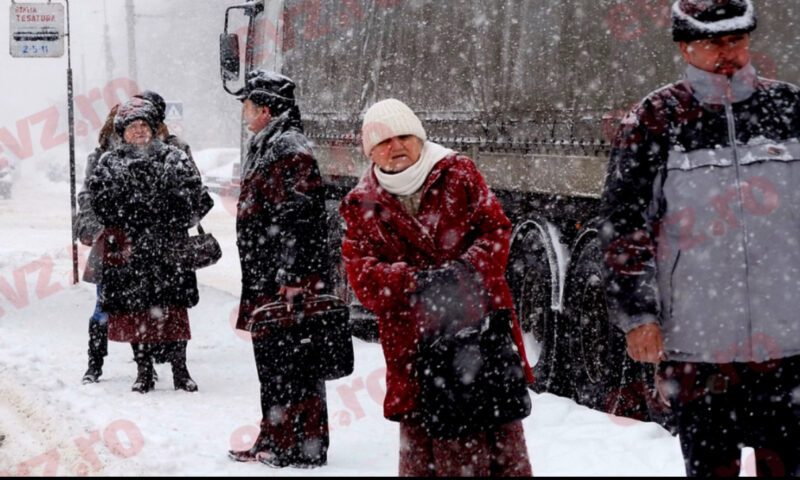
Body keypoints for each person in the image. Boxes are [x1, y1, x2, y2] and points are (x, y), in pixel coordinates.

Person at [599, 0, 800, 476]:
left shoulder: (790, 109)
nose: (727, 53)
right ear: (685, 48)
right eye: (712, 43)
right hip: (699, 348)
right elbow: (624, 225)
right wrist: (639, 315)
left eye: (736, 40)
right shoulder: (654, 120)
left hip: (790, 343)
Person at [339, 98, 534, 477]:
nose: (395, 147)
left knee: (497, 446)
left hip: (479, 338)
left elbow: (496, 232)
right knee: (425, 450)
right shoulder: (360, 204)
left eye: (403, 137)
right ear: (370, 151)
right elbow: (362, 278)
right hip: (414, 348)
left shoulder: (458, 173)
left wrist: (459, 276)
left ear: (420, 138)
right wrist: (416, 284)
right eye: (383, 141)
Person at [226, 70, 330, 468]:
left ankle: (303, 446)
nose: (245, 114)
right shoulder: (269, 143)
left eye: (248, 107)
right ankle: (274, 436)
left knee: (295, 363)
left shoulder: (288, 147)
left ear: (266, 110)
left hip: (285, 279)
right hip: (267, 275)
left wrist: (293, 277)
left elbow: (301, 217)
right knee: (272, 362)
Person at [78, 90, 207, 384]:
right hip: (128, 251)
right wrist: (105, 229)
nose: (139, 131)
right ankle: (134, 368)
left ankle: (179, 369)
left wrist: (167, 212)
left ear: (154, 127)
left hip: (167, 249)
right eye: (132, 126)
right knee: (130, 311)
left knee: (173, 310)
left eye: (144, 125)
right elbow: (96, 201)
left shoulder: (173, 156)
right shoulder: (108, 161)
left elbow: (193, 197)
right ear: (121, 132)